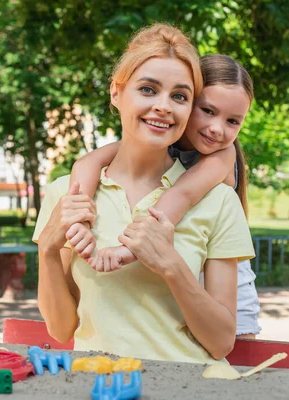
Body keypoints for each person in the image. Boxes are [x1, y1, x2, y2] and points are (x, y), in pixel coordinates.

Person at [33, 23, 255, 364]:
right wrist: (48, 249)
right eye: (148, 90)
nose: (164, 106)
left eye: (179, 96)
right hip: (101, 384)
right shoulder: (66, 192)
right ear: (116, 93)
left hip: (190, 384)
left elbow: (223, 343)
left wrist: (170, 264)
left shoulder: (218, 197)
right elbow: (61, 330)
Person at [67, 54, 261, 338]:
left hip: (223, 277)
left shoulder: (222, 155)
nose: (218, 128)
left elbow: (181, 195)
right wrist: (78, 223)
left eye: (233, 121)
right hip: (181, 261)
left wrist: (129, 249)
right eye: (207, 111)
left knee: (236, 357)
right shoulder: (160, 139)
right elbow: (87, 164)